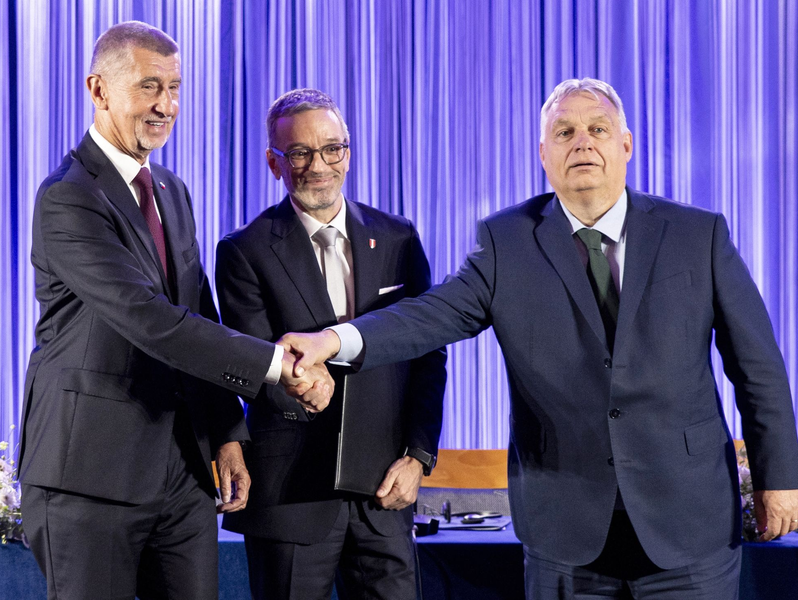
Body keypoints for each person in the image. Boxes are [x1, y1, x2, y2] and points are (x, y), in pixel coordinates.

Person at [280, 77, 798, 599]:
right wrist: (332, 341)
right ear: (542, 153)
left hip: (690, 527)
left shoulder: (697, 234)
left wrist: (780, 478)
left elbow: (758, 368)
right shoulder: (507, 241)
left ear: (626, 144)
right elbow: (428, 315)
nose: (583, 142)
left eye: (598, 128)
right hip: (565, 534)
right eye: (565, 131)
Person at [19, 22, 331, 600]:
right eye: (149, 87)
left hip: (184, 476)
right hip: (88, 477)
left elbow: (197, 314)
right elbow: (149, 319)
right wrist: (274, 365)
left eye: (175, 87)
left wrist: (226, 433)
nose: (167, 105)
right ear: (98, 89)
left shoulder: (171, 189)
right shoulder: (67, 196)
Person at [215, 88, 447, 600]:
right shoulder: (243, 251)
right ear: (274, 162)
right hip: (292, 494)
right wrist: (297, 383)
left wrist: (418, 456)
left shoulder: (399, 238)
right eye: (299, 153)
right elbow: (249, 360)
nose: (318, 165)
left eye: (331, 149)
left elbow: (429, 352)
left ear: (349, 151)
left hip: (386, 488)